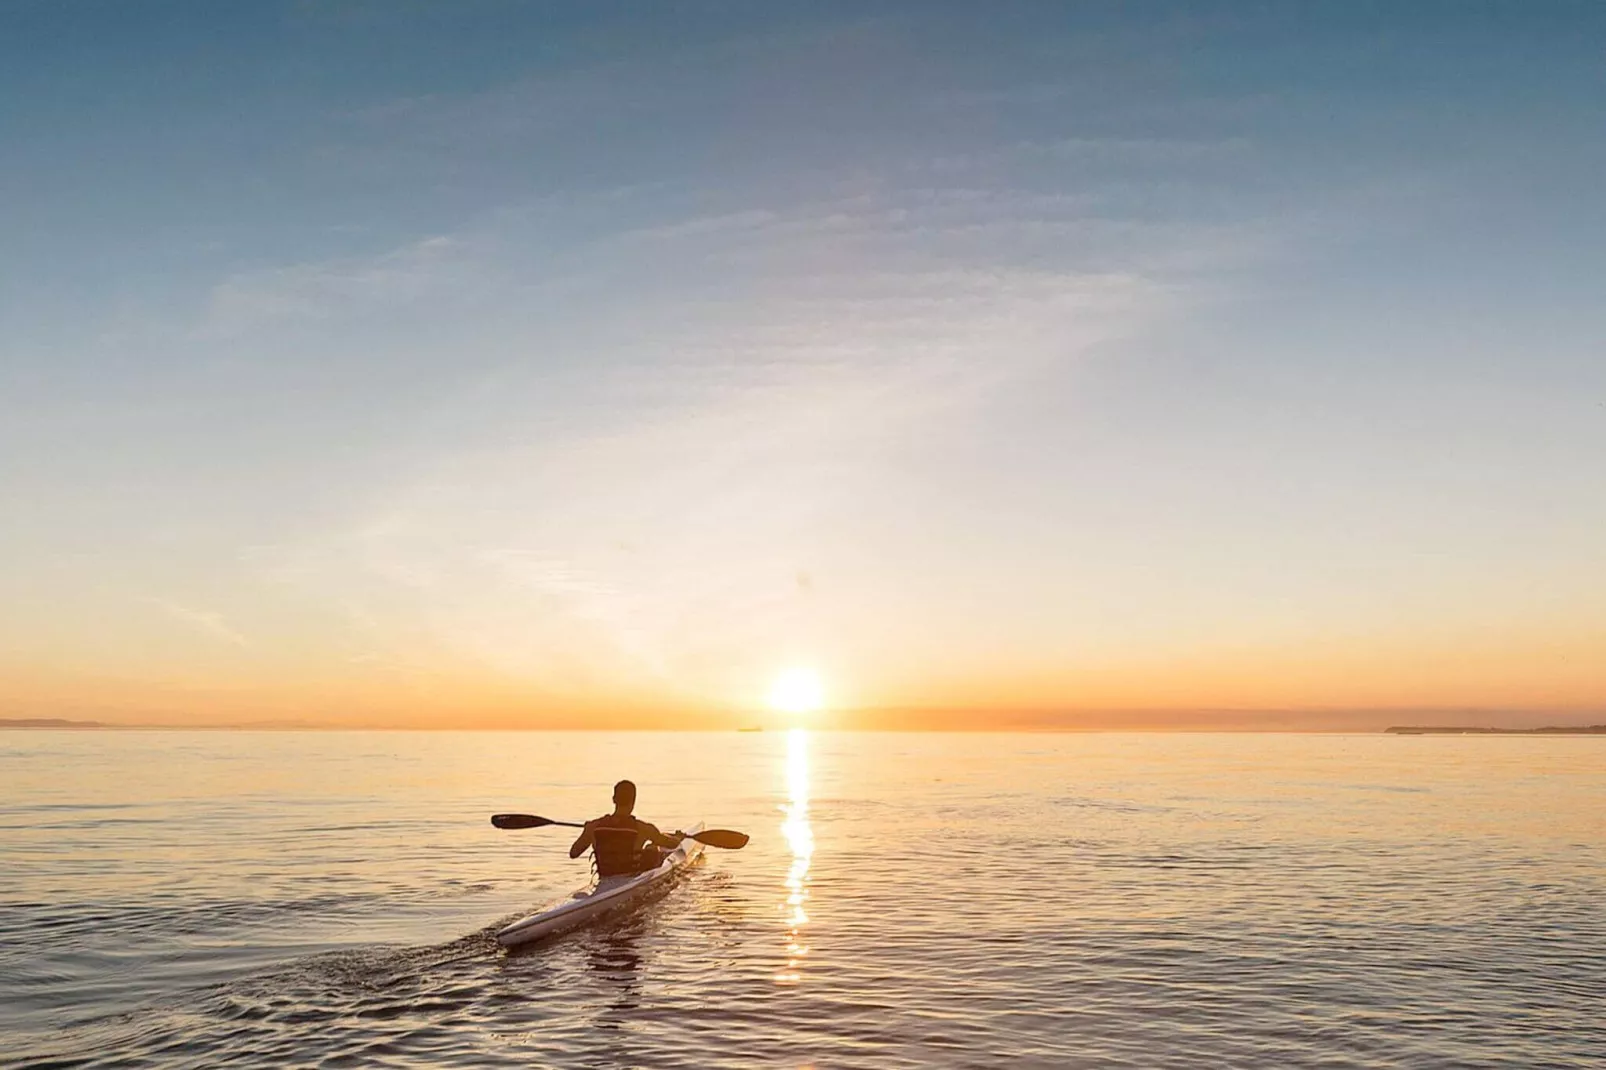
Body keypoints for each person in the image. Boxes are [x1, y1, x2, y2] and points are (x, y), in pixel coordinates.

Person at [569, 780, 687, 877]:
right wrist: (678, 838)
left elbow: (574, 853)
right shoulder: (643, 828)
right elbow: (672, 844)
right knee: (652, 848)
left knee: (650, 848)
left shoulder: (594, 826)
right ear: (633, 801)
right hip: (630, 878)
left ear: (614, 799)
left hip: (605, 876)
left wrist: (586, 831)